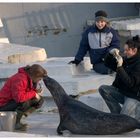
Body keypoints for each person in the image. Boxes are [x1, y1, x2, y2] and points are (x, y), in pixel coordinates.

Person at [99, 35, 140, 121]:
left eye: (127, 50)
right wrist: (110, 54)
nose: (124, 52)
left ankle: (121, 119)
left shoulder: (138, 64)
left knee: (123, 120)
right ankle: (117, 117)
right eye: (124, 49)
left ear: (134, 50)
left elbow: (130, 83)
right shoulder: (127, 59)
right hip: (122, 92)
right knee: (103, 89)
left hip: (133, 96)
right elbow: (108, 64)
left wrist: (120, 67)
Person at [69, 10, 120, 74]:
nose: (100, 24)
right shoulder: (89, 32)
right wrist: (77, 60)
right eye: (98, 22)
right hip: (97, 61)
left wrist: (110, 52)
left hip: (109, 59)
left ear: (105, 22)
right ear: (95, 21)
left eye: (102, 22)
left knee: (118, 67)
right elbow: (83, 47)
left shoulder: (111, 32)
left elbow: (116, 44)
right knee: (106, 70)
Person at [0, 64, 47, 131]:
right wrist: (34, 93)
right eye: (39, 79)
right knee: (24, 102)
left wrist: (36, 92)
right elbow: (19, 98)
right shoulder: (20, 79)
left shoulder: (28, 77)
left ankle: (20, 116)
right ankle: (16, 123)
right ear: (34, 76)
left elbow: (24, 91)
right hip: (3, 105)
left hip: (12, 102)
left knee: (40, 100)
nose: (39, 80)